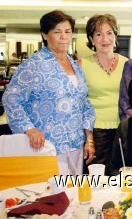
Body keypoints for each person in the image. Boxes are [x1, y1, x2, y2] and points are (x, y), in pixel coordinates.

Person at [2, 10, 95, 175]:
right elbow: (10, 98)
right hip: (47, 146)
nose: (63, 37)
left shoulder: (74, 65)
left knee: (73, 194)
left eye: (67, 32)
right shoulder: (33, 65)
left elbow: (84, 102)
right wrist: (29, 129)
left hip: (75, 144)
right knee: (51, 195)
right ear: (45, 35)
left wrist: (89, 138)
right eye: (57, 32)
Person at [80, 14, 129, 166]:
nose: (105, 39)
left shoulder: (127, 64)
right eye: (98, 34)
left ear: (115, 37)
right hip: (95, 132)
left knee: (121, 176)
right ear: (91, 39)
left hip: (123, 128)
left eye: (109, 33)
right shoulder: (81, 64)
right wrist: (88, 137)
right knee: (96, 178)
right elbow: (79, 104)